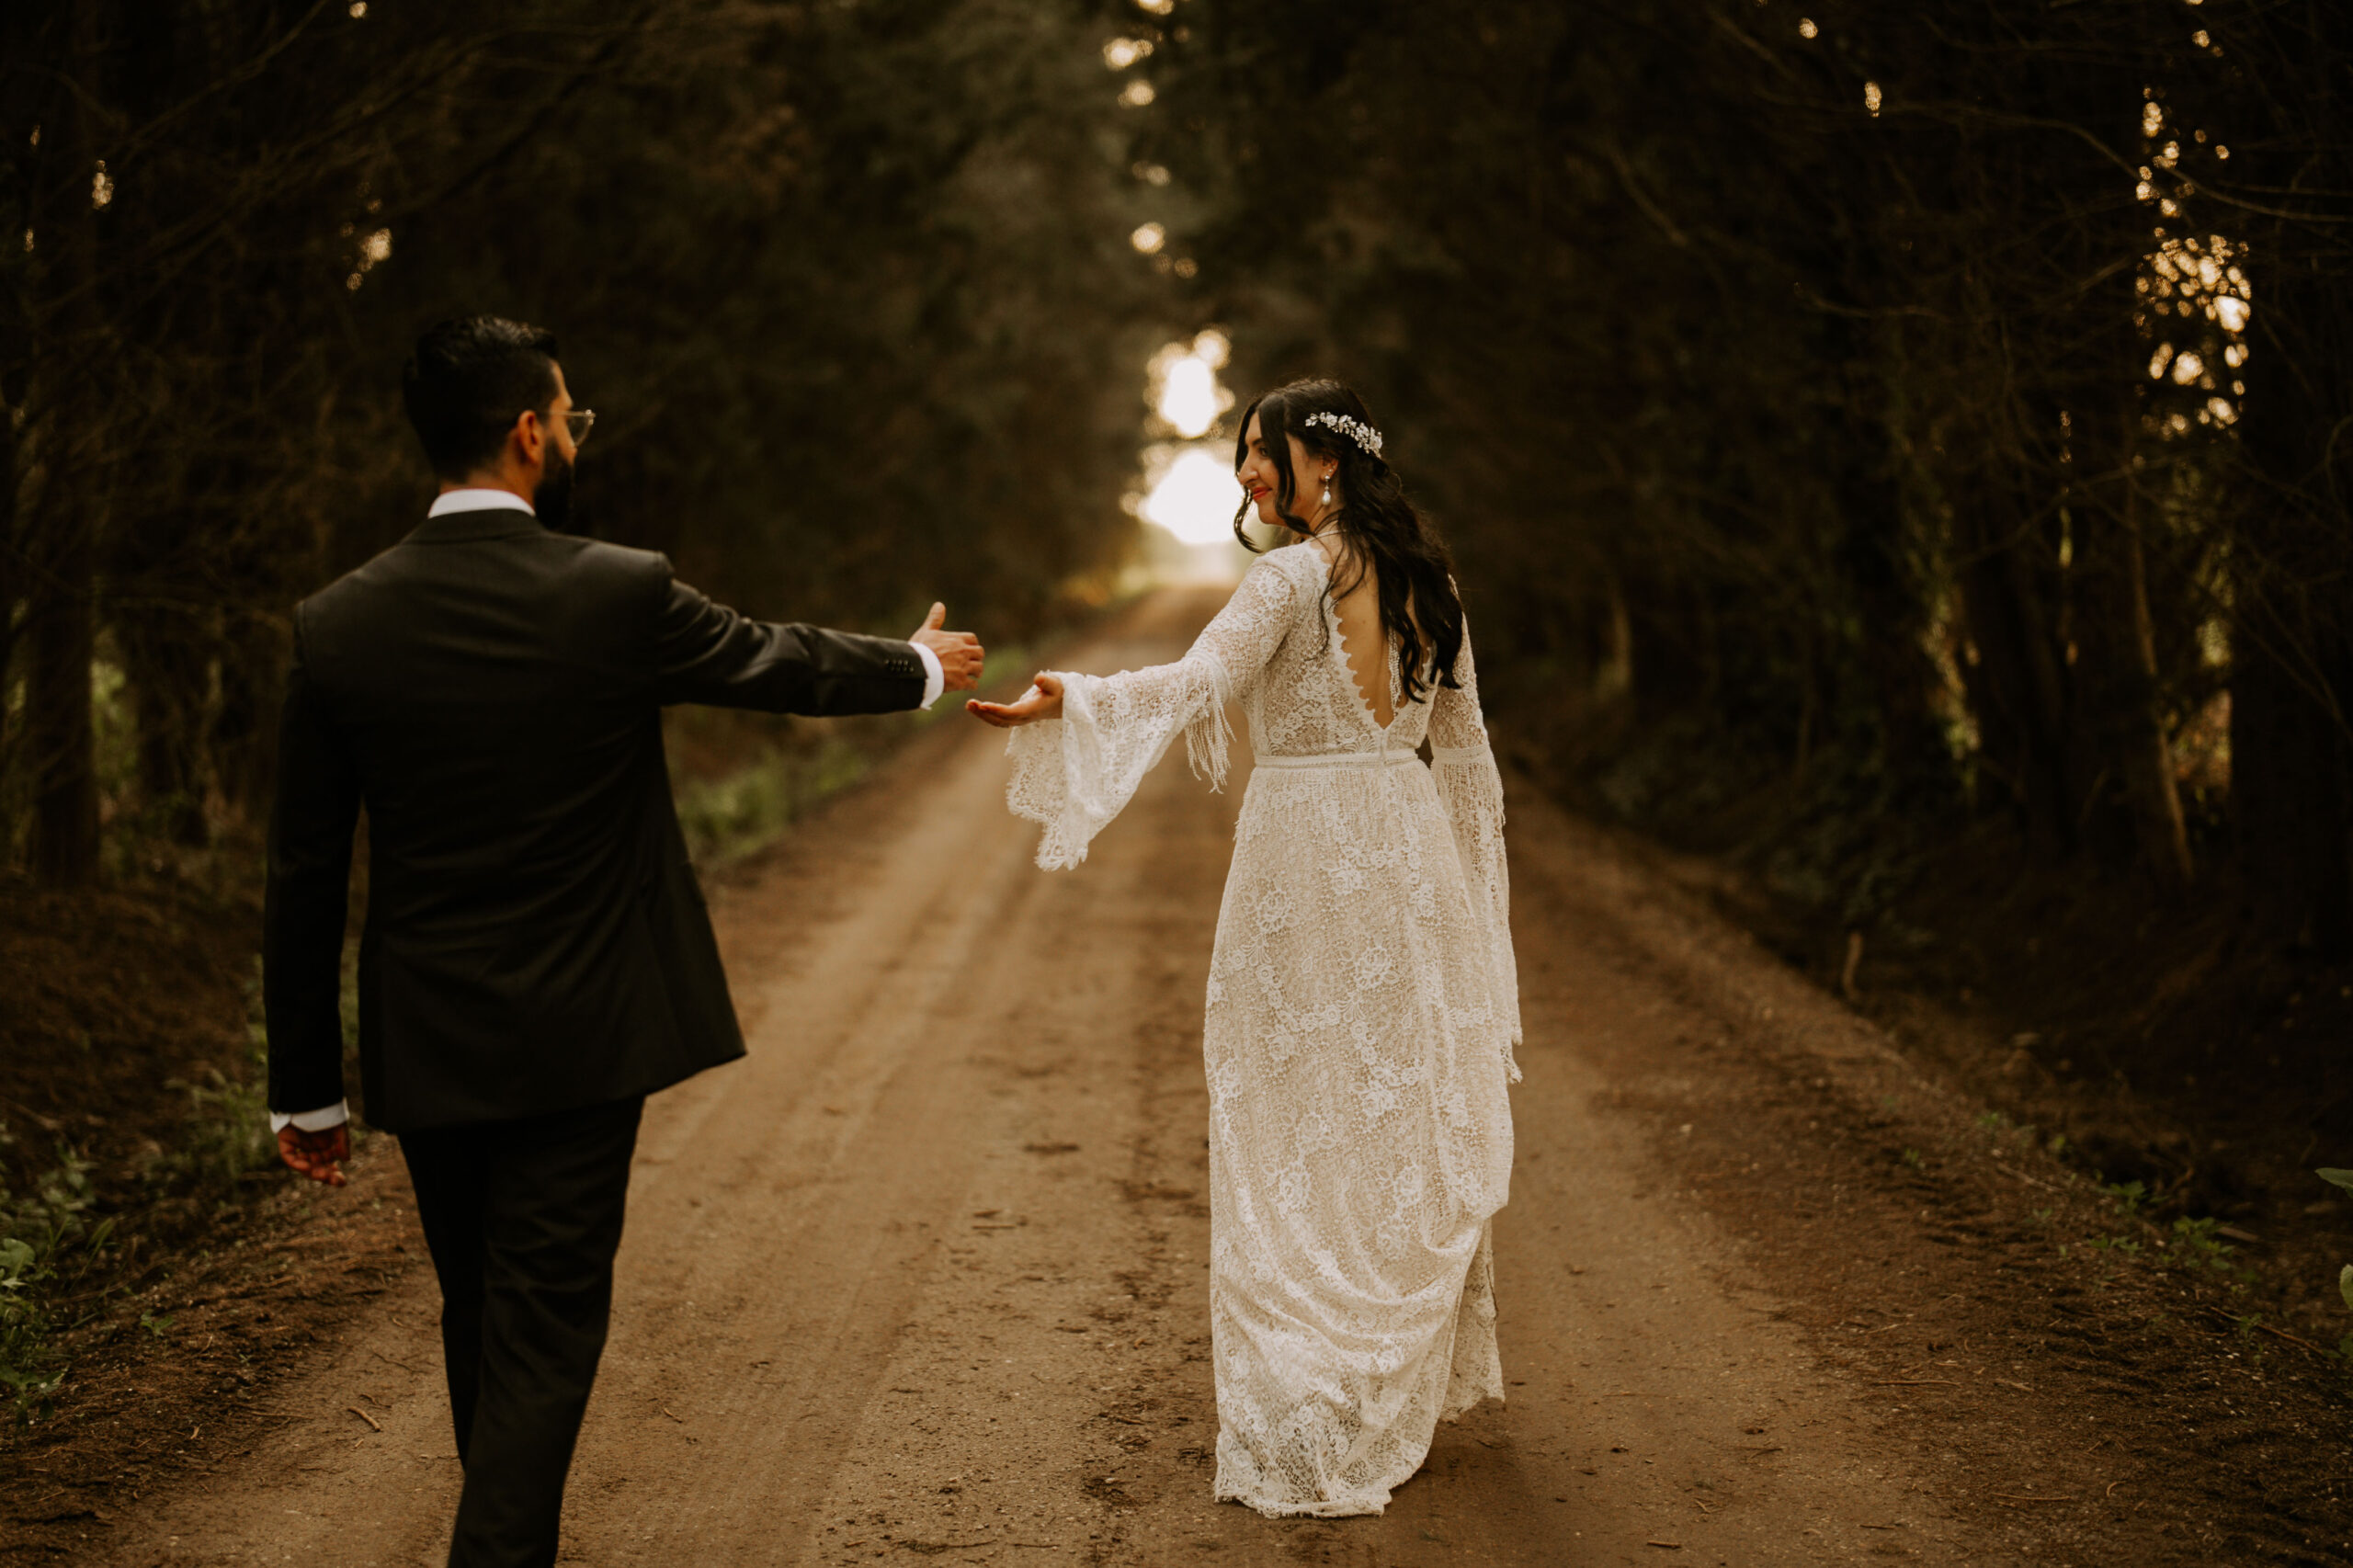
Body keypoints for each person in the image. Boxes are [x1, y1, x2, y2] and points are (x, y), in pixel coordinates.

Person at [263, 314, 984, 1567]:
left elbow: (304, 874)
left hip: (429, 1038)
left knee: (486, 1312)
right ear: (528, 431)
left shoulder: (339, 623)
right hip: (585, 1032)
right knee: (541, 1331)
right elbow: (775, 661)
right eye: (570, 415)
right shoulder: (612, 591)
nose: (574, 434)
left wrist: (305, 1087)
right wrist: (916, 667)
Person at [970, 378, 1519, 1517]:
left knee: (1288, 1106)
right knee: (1383, 1103)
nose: (1247, 479)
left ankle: (1319, 1381)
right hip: (1404, 858)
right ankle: (1380, 1358)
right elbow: (1466, 767)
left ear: (1323, 457)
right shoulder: (1431, 580)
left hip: (1306, 865)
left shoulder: (1285, 579)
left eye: (1259, 455)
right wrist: (1469, 920)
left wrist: (1072, 696)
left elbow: (1198, 684)